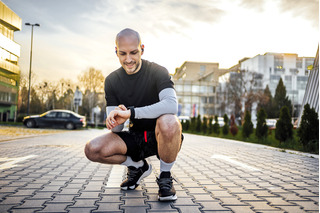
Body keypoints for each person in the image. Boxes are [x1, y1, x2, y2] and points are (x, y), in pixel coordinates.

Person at [84, 28, 183, 201]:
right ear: (116, 52)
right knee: (92, 149)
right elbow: (116, 130)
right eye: (123, 53)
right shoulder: (112, 80)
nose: (128, 59)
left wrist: (131, 113)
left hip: (160, 137)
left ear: (142, 49)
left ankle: (165, 177)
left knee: (170, 121)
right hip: (135, 138)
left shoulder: (158, 71)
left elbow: (171, 105)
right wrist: (116, 118)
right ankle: (137, 166)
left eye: (133, 53)